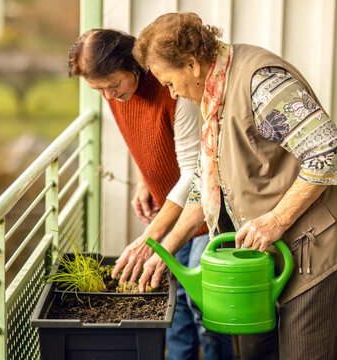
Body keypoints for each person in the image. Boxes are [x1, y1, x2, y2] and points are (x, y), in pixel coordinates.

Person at [132, 12, 337, 360]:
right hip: (270, 251)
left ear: (191, 64)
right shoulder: (213, 90)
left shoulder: (260, 83)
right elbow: (206, 183)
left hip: (320, 240)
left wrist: (274, 221)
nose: (170, 93)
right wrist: (167, 247)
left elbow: (328, 154)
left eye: (169, 82)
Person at [67, 29, 234, 360]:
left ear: (133, 64)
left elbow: (194, 172)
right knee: (173, 300)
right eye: (98, 90)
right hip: (172, 208)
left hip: (205, 211)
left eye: (112, 85)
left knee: (204, 306)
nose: (108, 96)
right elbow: (146, 139)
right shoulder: (118, 94)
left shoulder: (174, 91)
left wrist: (151, 237)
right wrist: (146, 180)